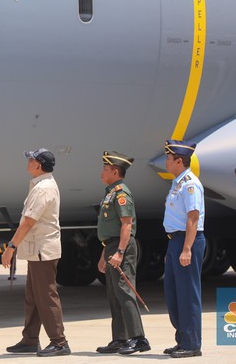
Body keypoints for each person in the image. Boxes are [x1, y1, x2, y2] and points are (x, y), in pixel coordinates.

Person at [1, 149, 70, 357]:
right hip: (37, 250)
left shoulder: (43, 188)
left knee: (46, 297)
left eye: (30, 160)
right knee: (33, 297)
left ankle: (59, 342)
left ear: (38, 165)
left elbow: (28, 222)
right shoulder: (41, 185)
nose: (28, 162)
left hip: (43, 251)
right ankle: (30, 339)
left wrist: (11, 247)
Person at [95, 151, 150, 355]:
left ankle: (139, 338)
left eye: (105, 169)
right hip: (111, 246)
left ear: (115, 171)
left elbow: (127, 225)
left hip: (122, 246)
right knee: (114, 294)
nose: (102, 172)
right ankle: (120, 338)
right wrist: (104, 254)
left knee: (125, 291)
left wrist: (119, 251)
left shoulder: (121, 193)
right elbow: (109, 228)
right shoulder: (110, 192)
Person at [162, 140, 205, 358]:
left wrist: (186, 248)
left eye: (169, 158)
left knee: (187, 293)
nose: (166, 162)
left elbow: (193, 217)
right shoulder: (178, 182)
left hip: (187, 240)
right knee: (173, 292)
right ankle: (182, 339)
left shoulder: (190, 184)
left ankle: (191, 343)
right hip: (175, 241)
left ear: (179, 161)